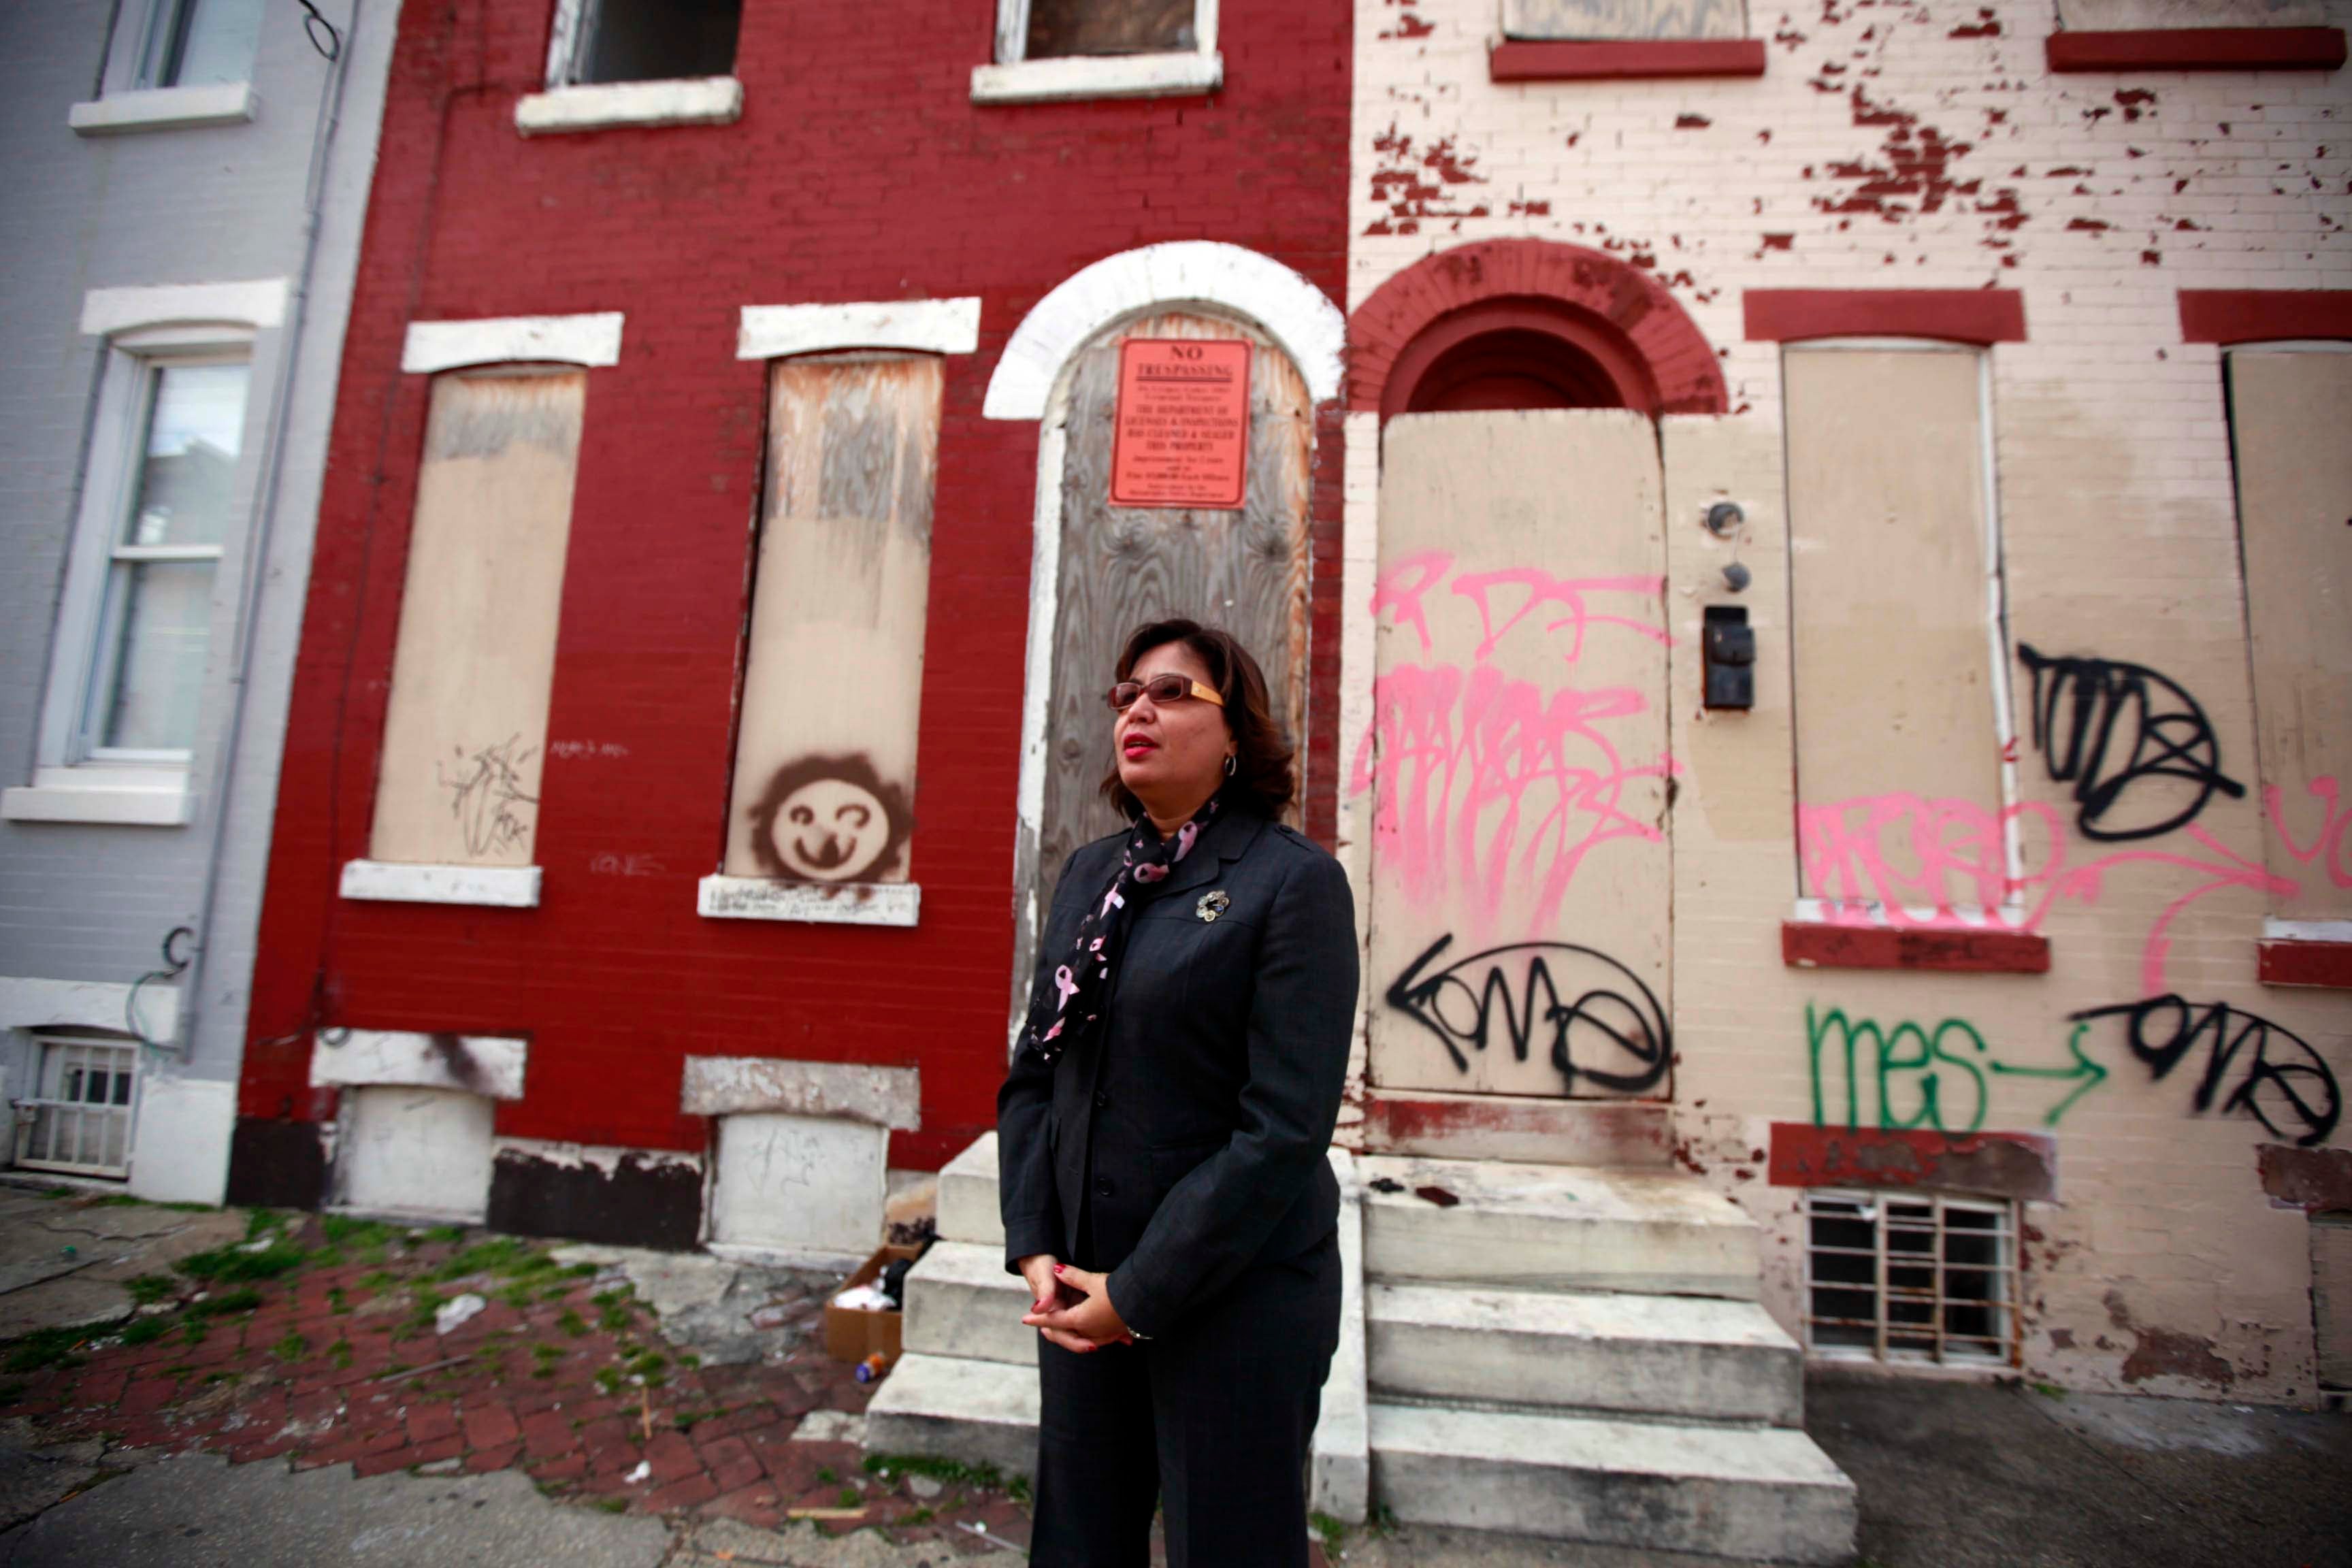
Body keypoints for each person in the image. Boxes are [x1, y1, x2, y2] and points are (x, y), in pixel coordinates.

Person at [997, 618, 1358, 1568]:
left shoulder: (1293, 885)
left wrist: (1141, 1292)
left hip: (1233, 1303)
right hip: (1082, 1294)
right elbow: (1038, 1074)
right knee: (1079, 1546)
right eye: (1127, 695)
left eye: (1170, 692)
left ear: (1235, 732)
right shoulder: (1090, 878)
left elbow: (1282, 1129)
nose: (1139, 710)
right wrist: (1035, 1240)